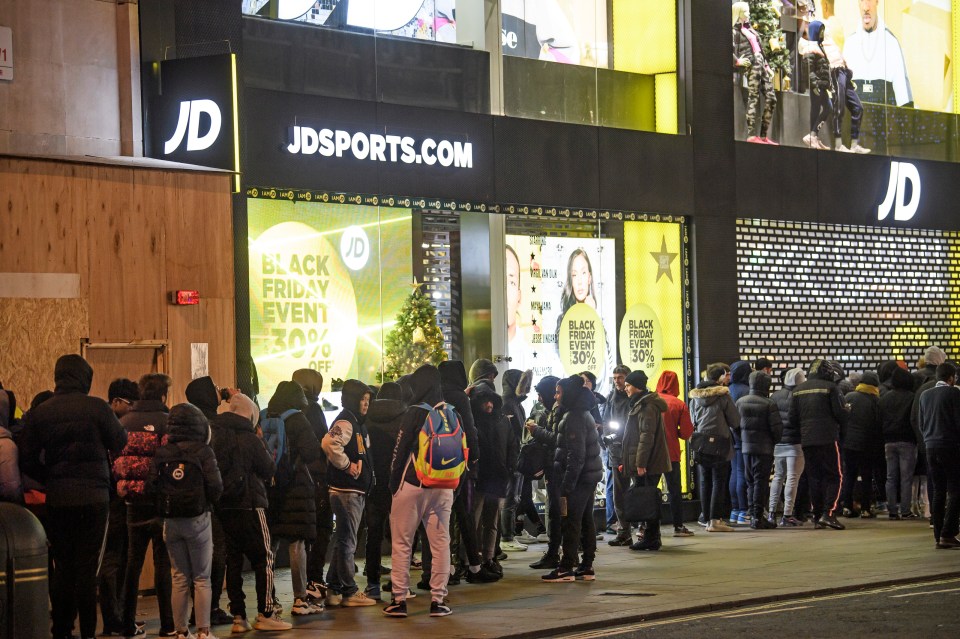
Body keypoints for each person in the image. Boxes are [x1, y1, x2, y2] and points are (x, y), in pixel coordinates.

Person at [20, 354, 128, 639]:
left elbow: (26, 459)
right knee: (87, 568)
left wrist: (51, 478)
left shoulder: (41, 412)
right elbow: (120, 441)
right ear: (86, 377)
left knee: (63, 566)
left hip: (58, 498)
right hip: (95, 499)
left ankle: (62, 630)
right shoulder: (98, 408)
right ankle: (88, 633)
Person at [211, 393, 291, 632]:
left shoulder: (215, 436)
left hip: (225, 506)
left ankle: (238, 617)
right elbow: (268, 468)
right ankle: (266, 613)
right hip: (252, 504)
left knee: (233, 561)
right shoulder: (250, 438)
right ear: (250, 415)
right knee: (264, 558)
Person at [383, 364, 458, 618]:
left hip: (413, 485)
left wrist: (393, 485)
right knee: (440, 544)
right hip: (444, 488)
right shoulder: (449, 413)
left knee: (402, 544)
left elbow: (400, 450)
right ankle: (438, 600)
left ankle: (399, 600)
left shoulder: (414, 412)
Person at [151, 403, 223, 639]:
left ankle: (181, 631)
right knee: (202, 577)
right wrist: (206, 503)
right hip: (198, 519)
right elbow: (216, 487)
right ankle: (203, 631)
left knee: (178, 576)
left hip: (170, 522)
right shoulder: (203, 452)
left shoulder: (162, 452)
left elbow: (151, 486)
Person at [113, 373, 175, 637]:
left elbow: (114, 460)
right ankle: (168, 625)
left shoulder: (124, 422)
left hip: (132, 502)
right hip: (160, 503)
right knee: (162, 564)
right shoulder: (167, 421)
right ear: (163, 395)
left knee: (132, 565)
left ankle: (127, 623)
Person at [541, 376, 603, 582]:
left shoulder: (574, 417)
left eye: (558, 392)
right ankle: (586, 566)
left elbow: (575, 455)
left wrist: (567, 484)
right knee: (585, 519)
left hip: (578, 477)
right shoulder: (580, 412)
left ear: (568, 394)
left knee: (571, 521)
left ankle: (567, 566)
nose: (555, 396)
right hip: (587, 476)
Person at [322, 379, 376, 607]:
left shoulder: (356, 422)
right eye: (362, 400)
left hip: (351, 491)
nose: (366, 404)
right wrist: (347, 465)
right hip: (347, 491)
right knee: (347, 542)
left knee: (343, 540)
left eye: (368, 400)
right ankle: (349, 591)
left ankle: (334, 588)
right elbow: (328, 443)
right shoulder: (346, 422)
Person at [184, 376, 233, 626]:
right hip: (213, 502)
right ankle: (209, 609)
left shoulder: (188, 424)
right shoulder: (214, 425)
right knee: (216, 553)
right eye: (215, 388)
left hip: (189, 501)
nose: (220, 390)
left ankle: (189, 614)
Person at [436, 361, 489, 584]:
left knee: (442, 518)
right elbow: (469, 428)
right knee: (465, 515)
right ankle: (474, 567)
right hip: (461, 465)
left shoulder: (436, 395)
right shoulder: (460, 397)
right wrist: (475, 456)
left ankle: (446, 569)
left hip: (438, 465)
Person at [99, 379, 139, 636]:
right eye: (130, 404)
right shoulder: (109, 427)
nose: (133, 409)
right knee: (115, 559)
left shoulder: (109, 423)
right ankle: (116, 618)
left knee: (119, 559)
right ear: (115, 402)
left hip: (110, 499)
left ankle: (119, 618)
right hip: (112, 501)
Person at [291, 368, 333, 607]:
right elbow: (322, 442)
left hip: (293, 479)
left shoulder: (288, 408)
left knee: (300, 536)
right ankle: (314, 580)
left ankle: (304, 585)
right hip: (316, 477)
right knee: (322, 527)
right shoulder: (313, 409)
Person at [790, 359, 847, 530]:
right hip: (828, 438)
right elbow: (840, 414)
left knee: (815, 478)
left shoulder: (797, 390)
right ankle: (829, 513)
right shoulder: (831, 388)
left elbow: (792, 419)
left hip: (807, 440)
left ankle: (817, 517)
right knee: (835, 476)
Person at [364, 382, 405, 600]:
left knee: (374, 534)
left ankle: (372, 586)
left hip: (373, 484)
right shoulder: (405, 416)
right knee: (401, 535)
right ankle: (400, 585)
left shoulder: (368, 416)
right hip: (398, 484)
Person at [620, 371, 670, 551]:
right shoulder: (641, 404)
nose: (625, 388)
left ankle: (651, 537)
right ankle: (651, 536)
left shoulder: (647, 406)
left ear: (637, 386)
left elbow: (646, 438)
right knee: (648, 498)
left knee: (648, 499)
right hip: (649, 461)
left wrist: (640, 464)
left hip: (649, 463)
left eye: (628, 385)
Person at [470, 379, 516, 574]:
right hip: (480, 479)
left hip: (496, 477)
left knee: (491, 521)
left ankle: (488, 557)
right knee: (474, 521)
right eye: (484, 402)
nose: (488, 405)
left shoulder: (502, 421)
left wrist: (509, 469)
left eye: (491, 401)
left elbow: (512, 446)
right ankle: (470, 560)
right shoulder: (473, 421)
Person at [808, 20, 871, 153]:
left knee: (858, 107)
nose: (822, 33)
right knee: (839, 107)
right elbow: (820, 64)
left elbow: (839, 56)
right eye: (820, 30)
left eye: (823, 30)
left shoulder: (830, 42)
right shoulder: (816, 46)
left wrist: (848, 72)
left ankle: (854, 145)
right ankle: (838, 144)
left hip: (843, 73)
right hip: (835, 73)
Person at [689, 363, 737, 533]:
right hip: (720, 444)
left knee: (705, 480)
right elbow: (735, 420)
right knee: (719, 480)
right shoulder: (723, 396)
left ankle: (706, 518)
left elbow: (692, 420)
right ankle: (716, 520)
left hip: (701, 443)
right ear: (720, 377)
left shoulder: (695, 398)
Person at [917, 363, 960, 548]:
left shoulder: (924, 395)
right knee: (956, 490)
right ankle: (948, 533)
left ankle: (938, 536)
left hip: (930, 446)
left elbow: (921, 422)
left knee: (939, 490)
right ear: (951, 378)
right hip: (950, 446)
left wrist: (928, 439)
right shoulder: (954, 394)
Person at [843, 0, 912, 107]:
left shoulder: (891, 43)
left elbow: (905, 101)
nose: (866, 7)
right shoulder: (850, 44)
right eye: (862, 0)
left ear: (877, 1)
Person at [526, 375, 563, 570]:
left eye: (542, 394)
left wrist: (537, 431)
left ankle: (558, 554)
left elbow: (557, 439)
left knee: (557, 512)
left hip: (559, 469)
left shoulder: (561, 412)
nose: (540, 399)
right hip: (555, 467)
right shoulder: (553, 411)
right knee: (556, 511)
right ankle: (557, 552)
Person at [737, 371, 782, 529]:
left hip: (746, 448)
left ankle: (752, 516)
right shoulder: (769, 404)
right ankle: (757, 517)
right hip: (764, 448)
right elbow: (777, 430)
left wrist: (743, 439)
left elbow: (734, 426)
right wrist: (773, 441)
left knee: (750, 483)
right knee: (760, 483)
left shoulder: (740, 402)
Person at [655, 370, 695, 537]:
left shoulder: (650, 401)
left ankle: (645, 526)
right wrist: (676, 432)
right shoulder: (679, 404)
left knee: (649, 490)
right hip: (671, 453)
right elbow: (686, 433)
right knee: (675, 491)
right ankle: (678, 526)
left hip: (652, 454)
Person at [733, 1, 778, 144]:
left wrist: (767, 66)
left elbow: (759, 49)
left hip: (760, 64)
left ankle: (763, 135)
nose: (748, 14)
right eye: (745, 12)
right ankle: (752, 135)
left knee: (771, 98)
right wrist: (737, 61)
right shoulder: (735, 31)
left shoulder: (751, 29)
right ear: (738, 14)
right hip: (751, 64)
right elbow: (728, 48)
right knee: (753, 97)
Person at [840, 372, 882, 518]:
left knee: (849, 474)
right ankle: (865, 508)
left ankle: (847, 507)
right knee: (866, 475)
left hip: (848, 443)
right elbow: (877, 424)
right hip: (867, 444)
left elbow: (842, 417)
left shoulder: (849, 396)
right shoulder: (875, 400)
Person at [500, 369, 533, 550]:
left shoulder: (515, 403)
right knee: (510, 497)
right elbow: (511, 434)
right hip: (512, 458)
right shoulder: (509, 404)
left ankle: (511, 533)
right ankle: (507, 537)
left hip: (517, 457)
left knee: (515, 497)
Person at [770, 367, 807, 526]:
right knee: (792, 478)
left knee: (778, 477)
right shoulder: (799, 396)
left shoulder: (775, 396)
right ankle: (787, 514)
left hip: (778, 442)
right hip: (795, 443)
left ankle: (771, 513)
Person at [880, 367, 917, 520]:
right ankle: (905, 510)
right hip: (907, 440)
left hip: (888, 441)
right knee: (906, 478)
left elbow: (879, 418)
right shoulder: (912, 397)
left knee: (891, 477)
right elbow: (914, 419)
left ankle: (892, 510)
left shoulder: (885, 397)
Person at [603, 365, 632, 543]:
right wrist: (609, 438)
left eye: (620, 377)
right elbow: (606, 421)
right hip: (616, 450)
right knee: (618, 493)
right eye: (615, 378)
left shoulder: (634, 399)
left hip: (632, 450)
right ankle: (623, 530)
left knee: (635, 490)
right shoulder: (611, 399)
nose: (617, 381)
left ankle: (641, 527)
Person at [727, 361, 752, 525]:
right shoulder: (746, 391)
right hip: (744, 436)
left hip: (730, 437)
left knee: (734, 473)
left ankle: (735, 510)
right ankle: (744, 510)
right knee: (743, 473)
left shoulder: (728, 390)